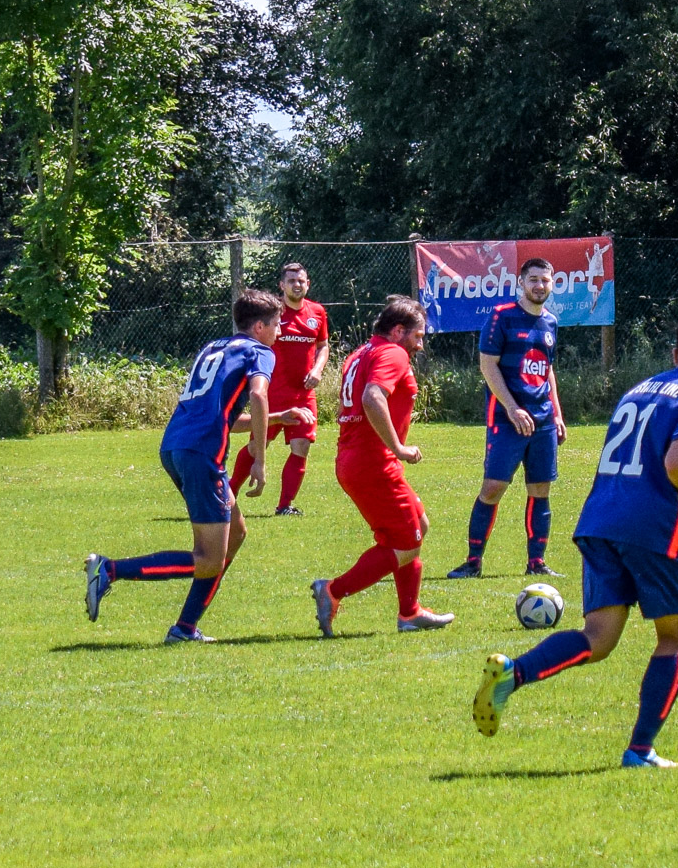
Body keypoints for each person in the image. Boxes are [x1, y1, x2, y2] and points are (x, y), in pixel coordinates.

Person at [471, 306, 678, 768]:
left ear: (675, 353)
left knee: (598, 639)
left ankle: (514, 673)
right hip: (651, 526)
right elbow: (676, 462)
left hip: (600, 518)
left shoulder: (640, 389)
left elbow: (650, 457)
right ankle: (640, 751)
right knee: (673, 637)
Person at [83, 289, 313, 643]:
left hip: (176, 446)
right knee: (208, 559)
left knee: (236, 533)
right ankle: (110, 569)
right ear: (258, 327)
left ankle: (185, 629)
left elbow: (224, 416)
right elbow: (258, 394)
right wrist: (259, 458)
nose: (280, 330)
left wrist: (278, 417)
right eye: (276, 324)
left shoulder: (215, 348)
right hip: (202, 454)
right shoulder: (259, 352)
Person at [311, 296, 454, 637]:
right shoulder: (393, 352)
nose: (420, 345)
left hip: (355, 459)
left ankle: (410, 613)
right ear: (398, 330)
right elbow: (372, 397)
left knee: (418, 524)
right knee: (406, 543)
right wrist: (398, 447)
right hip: (373, 464)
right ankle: (332, 590)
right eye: (417, 336)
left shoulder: (361, 352)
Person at [447, 258, 567, 579]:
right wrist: (513, 408)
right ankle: (473, 562)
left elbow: (548, 370)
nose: (539, 285)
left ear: (552, 284)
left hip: (542, 421)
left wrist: (556, 413)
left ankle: (536, 563)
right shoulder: (501, 316)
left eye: (545, 280)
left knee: (540, 488)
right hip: (506, 418)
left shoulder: (551, 322)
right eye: (533, 279)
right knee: (493, 487)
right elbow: (488, 366)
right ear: (521, 283)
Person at [229, 262, 330, 515]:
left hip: (303, 394)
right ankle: (228, 495)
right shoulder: (272, 313)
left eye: (301, 280)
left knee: (302, 446)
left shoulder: (317, 312)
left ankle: (285, 506)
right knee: (256, 447)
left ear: (308, 284)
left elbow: (323, 346)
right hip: (271, 393)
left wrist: (317, 370)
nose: (297, 285)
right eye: (292, 281)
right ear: (282, 285)